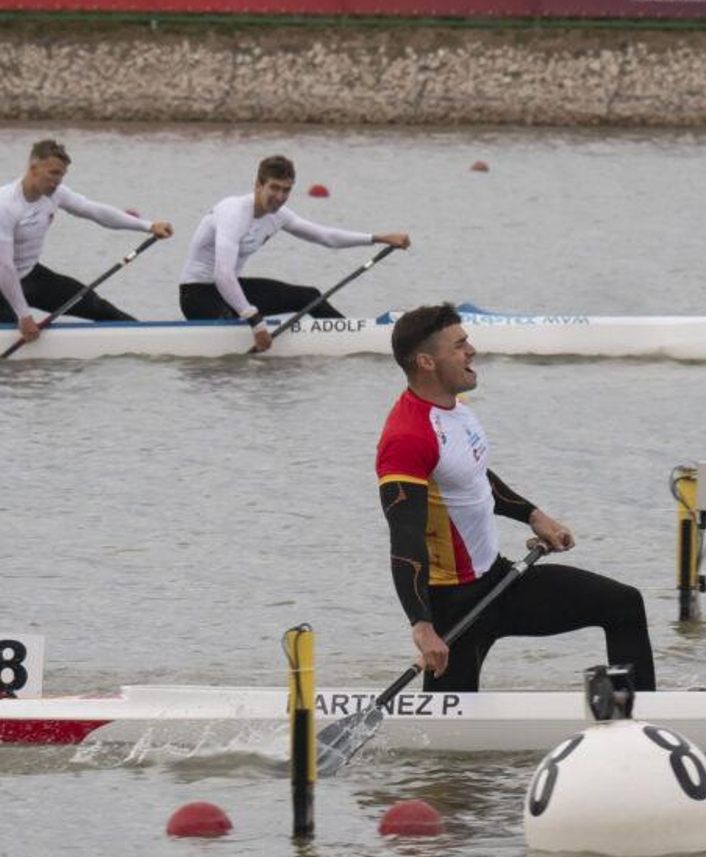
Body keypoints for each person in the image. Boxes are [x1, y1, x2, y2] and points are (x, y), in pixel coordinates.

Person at [375, 303, 656, 693]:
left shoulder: (457, 409)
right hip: (454, 607)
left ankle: (639, 722)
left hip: (498, 582)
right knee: (451, 743)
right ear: (426, 361)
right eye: (459, 345)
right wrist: (421, 626)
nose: (471, 350)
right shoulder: (406, 438)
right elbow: (404, 536)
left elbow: (474, 476)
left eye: (467, 341)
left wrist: (532, 515)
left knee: (623, 605)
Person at [178, 155, 410, 352]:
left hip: (229, 291)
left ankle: (355, 342)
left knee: (309, 296)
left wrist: (378, 238)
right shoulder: (233, 212)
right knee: (237, 328)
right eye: (274, 188)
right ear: (258, 185)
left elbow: (326, 237)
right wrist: (256, 322)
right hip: (197, 294)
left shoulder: (279, 215)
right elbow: (222, 274)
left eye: (286, 190)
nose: (279, 197)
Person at [0, 139, 174, 342]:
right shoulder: (5, 205)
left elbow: (94, 211)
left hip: (30, 276)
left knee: (96, 306)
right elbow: (4, 266)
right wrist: (24, 316)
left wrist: (148, 226)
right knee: (12, 333)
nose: (57, 181)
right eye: (53, 173)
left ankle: (150, 342)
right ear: (34, 168)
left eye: (62, 175)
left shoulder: (55, 194)